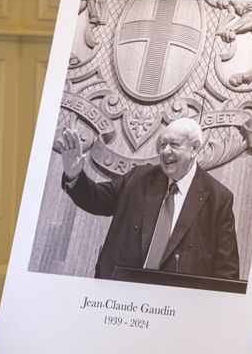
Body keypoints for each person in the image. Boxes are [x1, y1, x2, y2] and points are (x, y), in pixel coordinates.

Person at [56, 117, 240, 280]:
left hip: (177, 306)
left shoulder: (218, 199)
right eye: (162, 145)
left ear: (194, 148)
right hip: (120, 291)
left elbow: (226, 271)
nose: (165, 151)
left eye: (174, 145)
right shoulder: (138, 179)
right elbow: (96, 199)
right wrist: (75, 175)